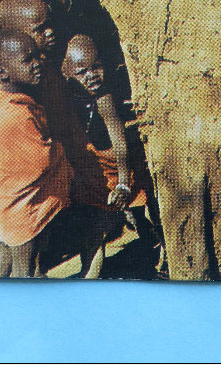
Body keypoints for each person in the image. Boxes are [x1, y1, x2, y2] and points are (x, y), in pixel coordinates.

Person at [0, 0, 115, 278]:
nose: (50, 33)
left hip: (65, 170)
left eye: (50, 24)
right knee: (19, 252)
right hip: (33, 185)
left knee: (84, 227)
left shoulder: (46, 71)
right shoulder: (18, 91)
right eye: (40, 28)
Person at [61, 34, 163, 263]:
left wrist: (124, 183)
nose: (92, 76)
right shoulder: (68, 96)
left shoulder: (104, 99)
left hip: (121, 161)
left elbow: (119, 141)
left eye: (96, 67)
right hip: (95, 165)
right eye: (81, 72)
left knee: (140, 203)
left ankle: (156, 245)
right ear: (67, 74)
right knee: (97, 221)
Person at [0, 29, 73, 277]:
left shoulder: (7, 100)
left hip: (3, 199)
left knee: (6, 256)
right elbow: (38, 161)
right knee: (26, 268)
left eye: (37, 56)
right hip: (20, 206)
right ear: (2, 72)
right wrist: (61, 149)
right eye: (27, 60)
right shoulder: (16, 115)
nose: (37, 64)